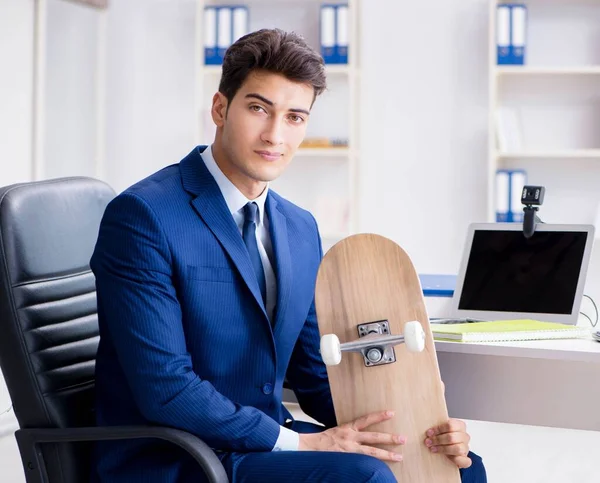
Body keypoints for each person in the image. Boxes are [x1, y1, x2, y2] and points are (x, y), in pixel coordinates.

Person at [90, 28, 487, 483]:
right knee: (365, 477)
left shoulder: (299, 227)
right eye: (259, 109)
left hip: (258, 443)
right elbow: (166, 389)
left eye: (295, 117)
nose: (275, 135)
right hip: (177, 457)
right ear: (220, 109)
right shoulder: (144, 216)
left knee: (459, 469)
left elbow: (316, 375)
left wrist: (417, 427)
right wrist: (300, 442)